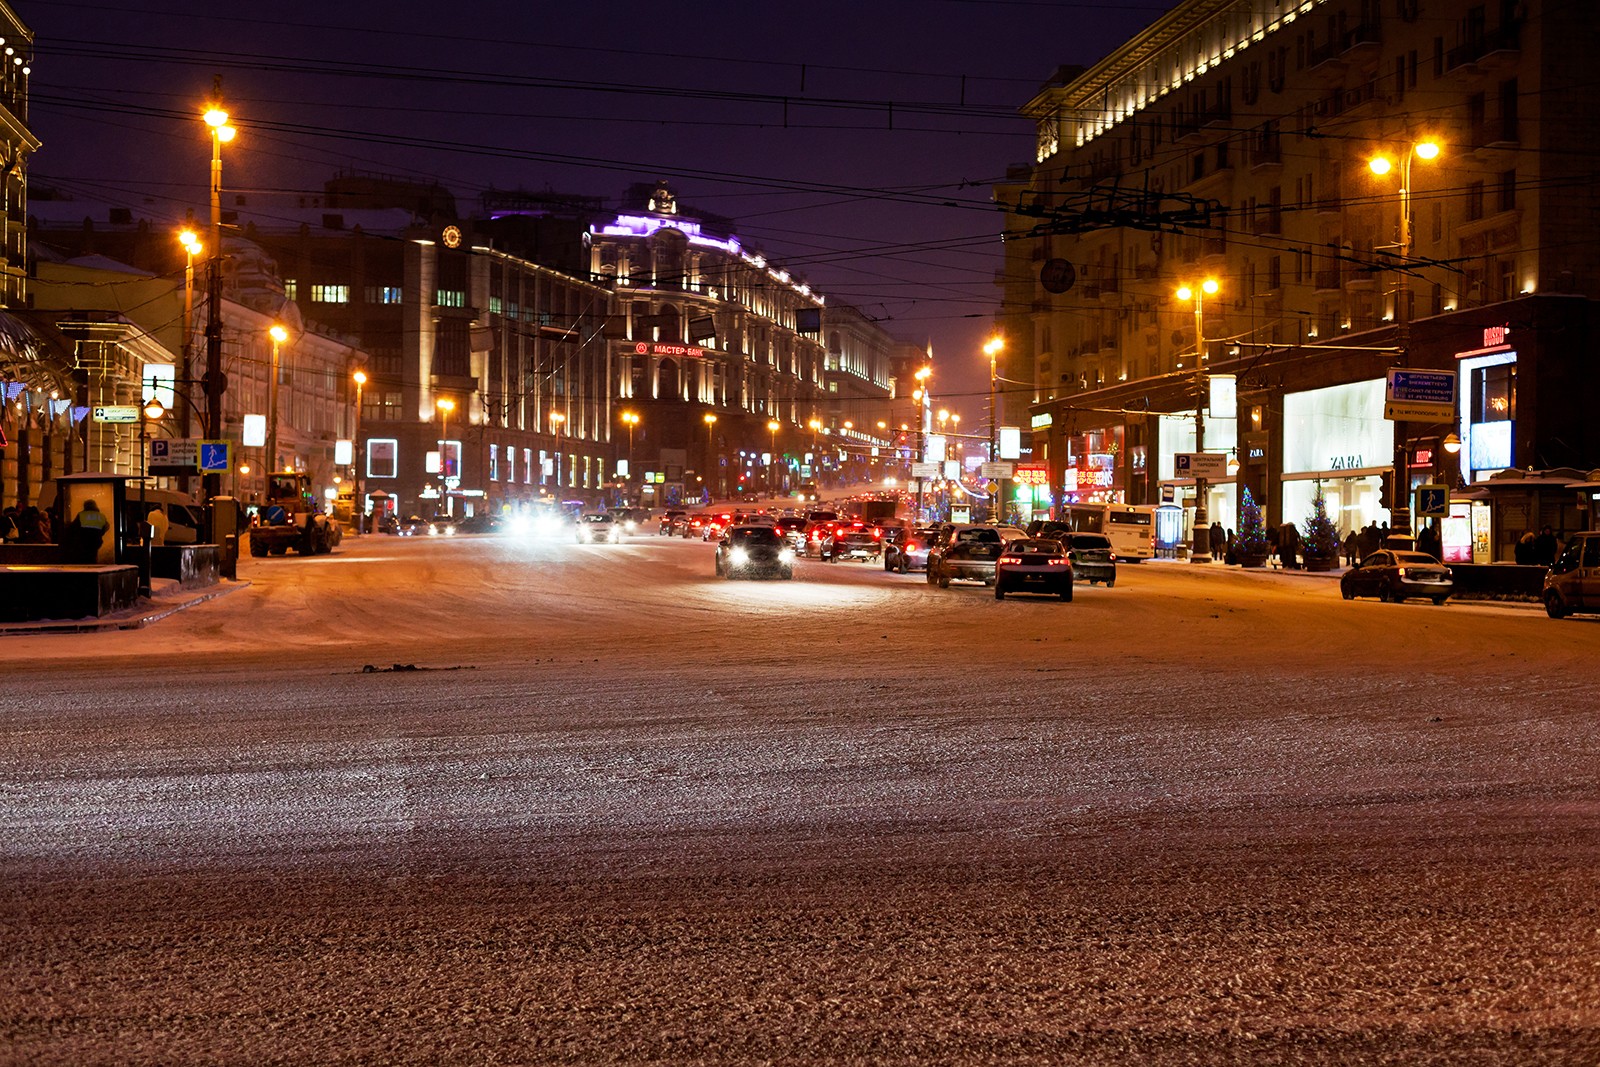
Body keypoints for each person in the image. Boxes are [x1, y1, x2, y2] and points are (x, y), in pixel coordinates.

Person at [69, 499, 110, 564]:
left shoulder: (81, 515)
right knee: (93, 556)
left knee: (85, 559)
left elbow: (73, 527)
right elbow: (106, 526)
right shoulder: (100, 516)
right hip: (96, 541)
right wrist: (99, 533)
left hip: (83, 542)